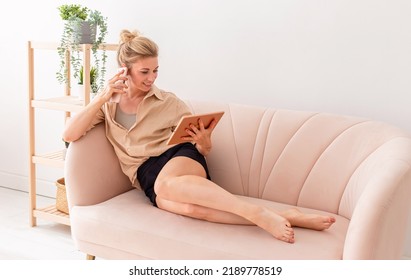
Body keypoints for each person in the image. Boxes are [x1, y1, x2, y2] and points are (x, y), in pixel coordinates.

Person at [62, 29, 336, 243]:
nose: (151, 78)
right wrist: (102, 96)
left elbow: (199, 146)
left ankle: (259, 214)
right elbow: (70, 133)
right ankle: (288, 216)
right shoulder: (107, 105)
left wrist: (204, 143)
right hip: (145, 173)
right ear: (125, 69)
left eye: (155, 70)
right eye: (144, 71)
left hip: (178, 157)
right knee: (193, 210)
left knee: (166, 186)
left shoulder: (168, 102)